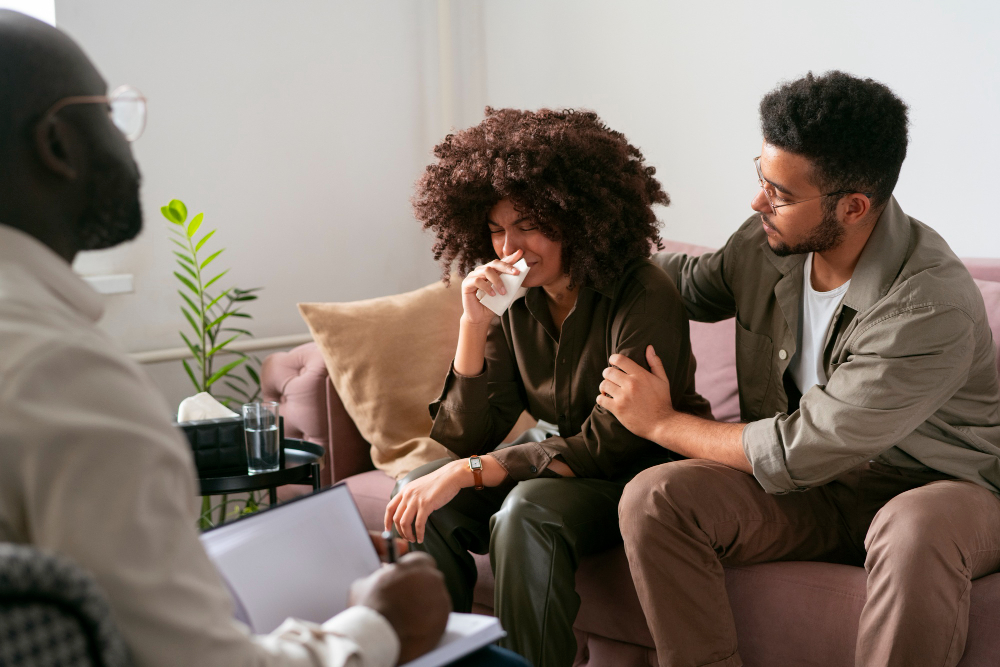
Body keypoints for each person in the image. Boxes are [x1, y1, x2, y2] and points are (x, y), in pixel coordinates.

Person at [0, 11, 470, 667]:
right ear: (55, 143)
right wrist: (379, 622)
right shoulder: (63, 374)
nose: (127, 142)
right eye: (109, 113)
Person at [598, 71, 1000, 667]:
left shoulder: (928, 303)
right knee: (656, 497)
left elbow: (802, 448)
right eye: (761, 177)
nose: (758, 201)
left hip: (937, 487)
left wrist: (660, 423)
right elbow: (677, 286)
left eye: (780, 193)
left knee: (914, 527)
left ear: (854, 206)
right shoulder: (768, 243)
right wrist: (578, 250)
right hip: (817, 492)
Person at [386, 107, 712, 667]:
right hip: (563, 465)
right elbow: (468, 436)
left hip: (642, 473)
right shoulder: (514, 298)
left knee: (527, 510)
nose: (509, 247)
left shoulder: (643, 291)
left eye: (529, 224)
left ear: (576, 216)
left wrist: (470, 471)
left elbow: (612, 442)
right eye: (495, 229)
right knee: (417, 491)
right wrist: (474, 324)